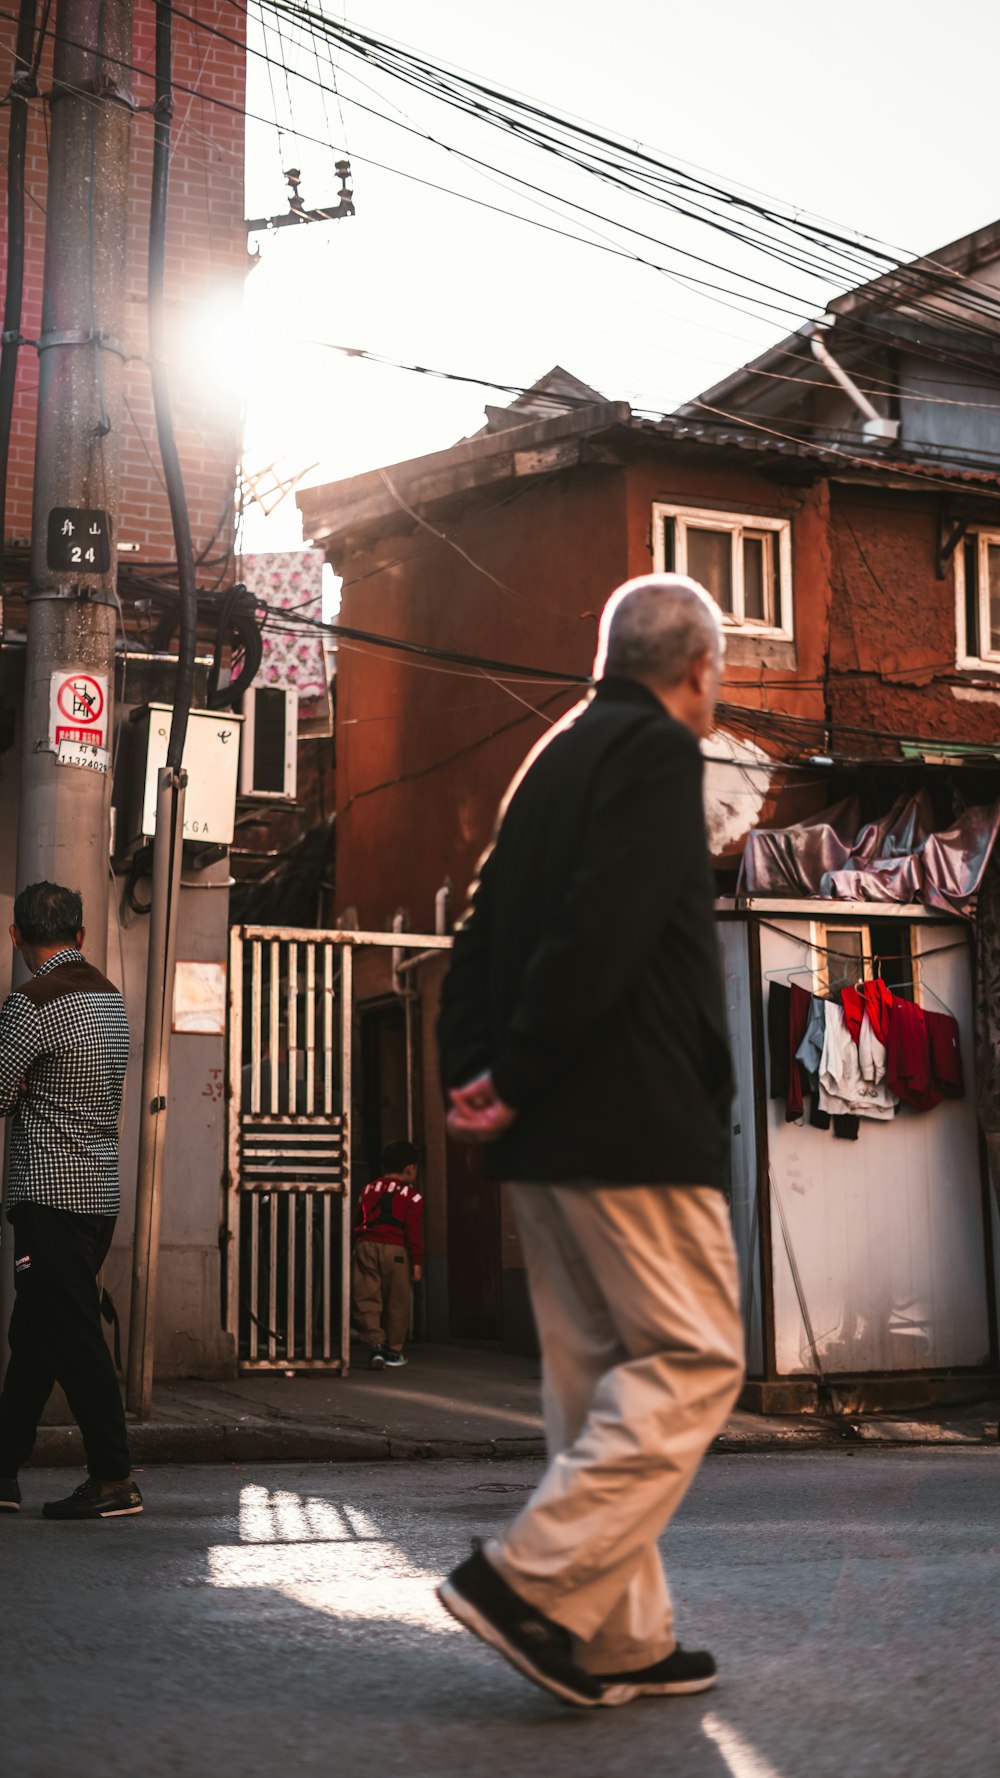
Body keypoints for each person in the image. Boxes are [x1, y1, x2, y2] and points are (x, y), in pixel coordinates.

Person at [435, 574, 745, 1709]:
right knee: (695, 1358)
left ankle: (618, 1636)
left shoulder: (554, 753)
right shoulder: (661, 753)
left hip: (549, 1130)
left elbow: (479, 928)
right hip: (631, 1124)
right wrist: (511, 1072)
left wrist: (475, 1077)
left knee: (597, 1385)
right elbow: (603, 929)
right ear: (699, 669)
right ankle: (527, 1580)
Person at [0, 881, 141, 1520]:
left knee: (73, 1337)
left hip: (47, 1199)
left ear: (17, 938)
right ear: (81, 936)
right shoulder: (112, 1001)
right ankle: (2, 1472)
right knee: (35, 1338)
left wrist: (26, 1083)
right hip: (98, 1198)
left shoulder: (29, 1005)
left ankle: (113, 1477)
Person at [351, 1138, 424, 1370]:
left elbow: (358, 1220)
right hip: (396, 1250)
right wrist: (417, 1263)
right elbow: (413, 1231)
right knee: (397, 1300)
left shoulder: (367, 1190)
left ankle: (376, 1346)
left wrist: (357, 1244)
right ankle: (394, 1350)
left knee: (367, 1297)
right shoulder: (412, 1196)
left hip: (365, 1245)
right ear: (410, 1168)